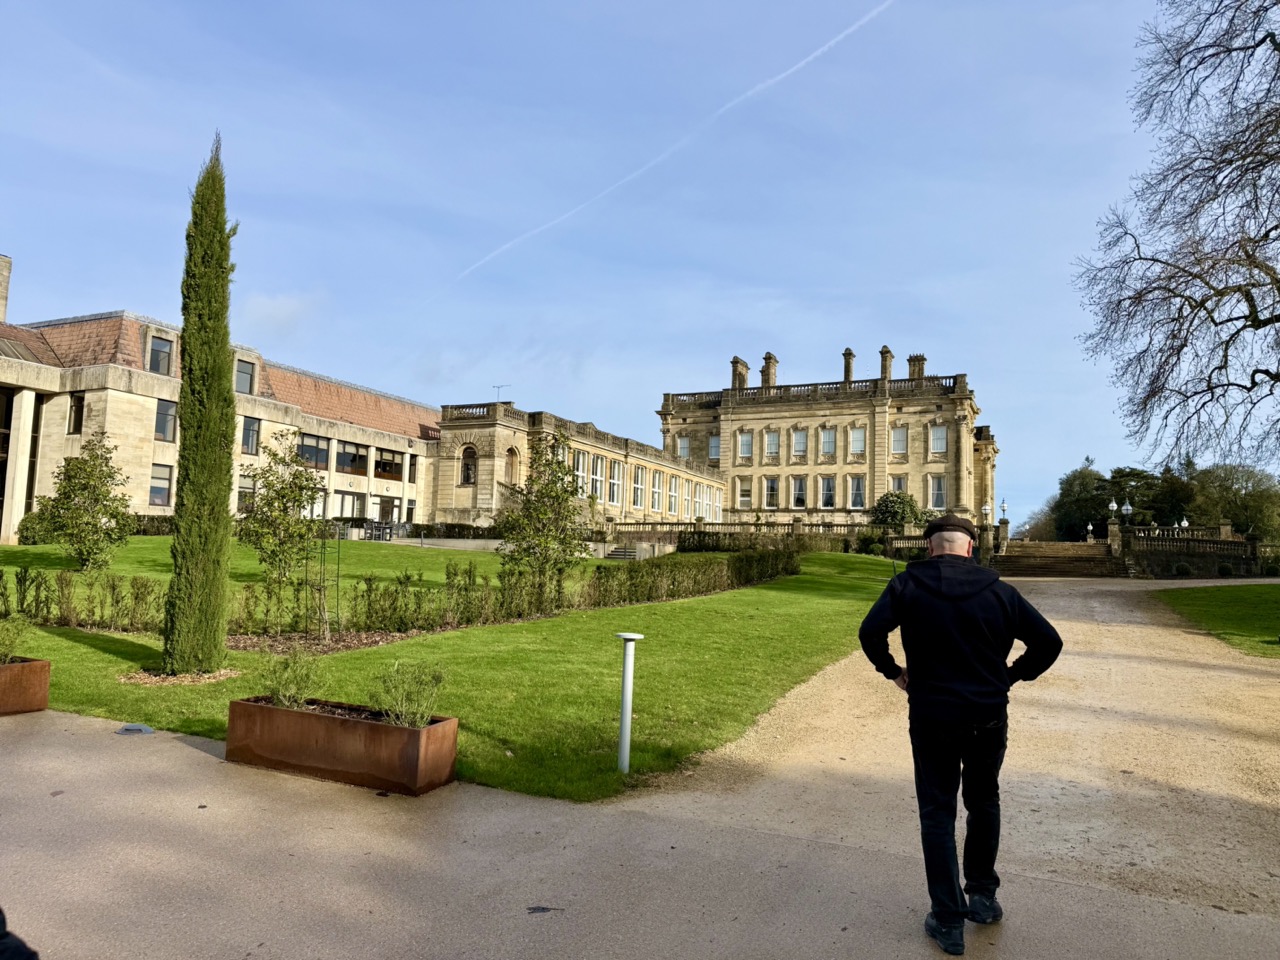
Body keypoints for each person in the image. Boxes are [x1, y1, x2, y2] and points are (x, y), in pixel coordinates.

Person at [858, 513, 1062, 956]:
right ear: (970, 547)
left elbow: (870, 631)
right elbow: (1049, 642)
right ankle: (983, 898)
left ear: (929, 546)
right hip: (987, 712)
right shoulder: (1000, 592)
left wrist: (893, 671)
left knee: (937, 813)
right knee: (984, 801)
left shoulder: (906, 587)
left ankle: (948, 919)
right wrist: (1011, 676)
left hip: (932, 713)